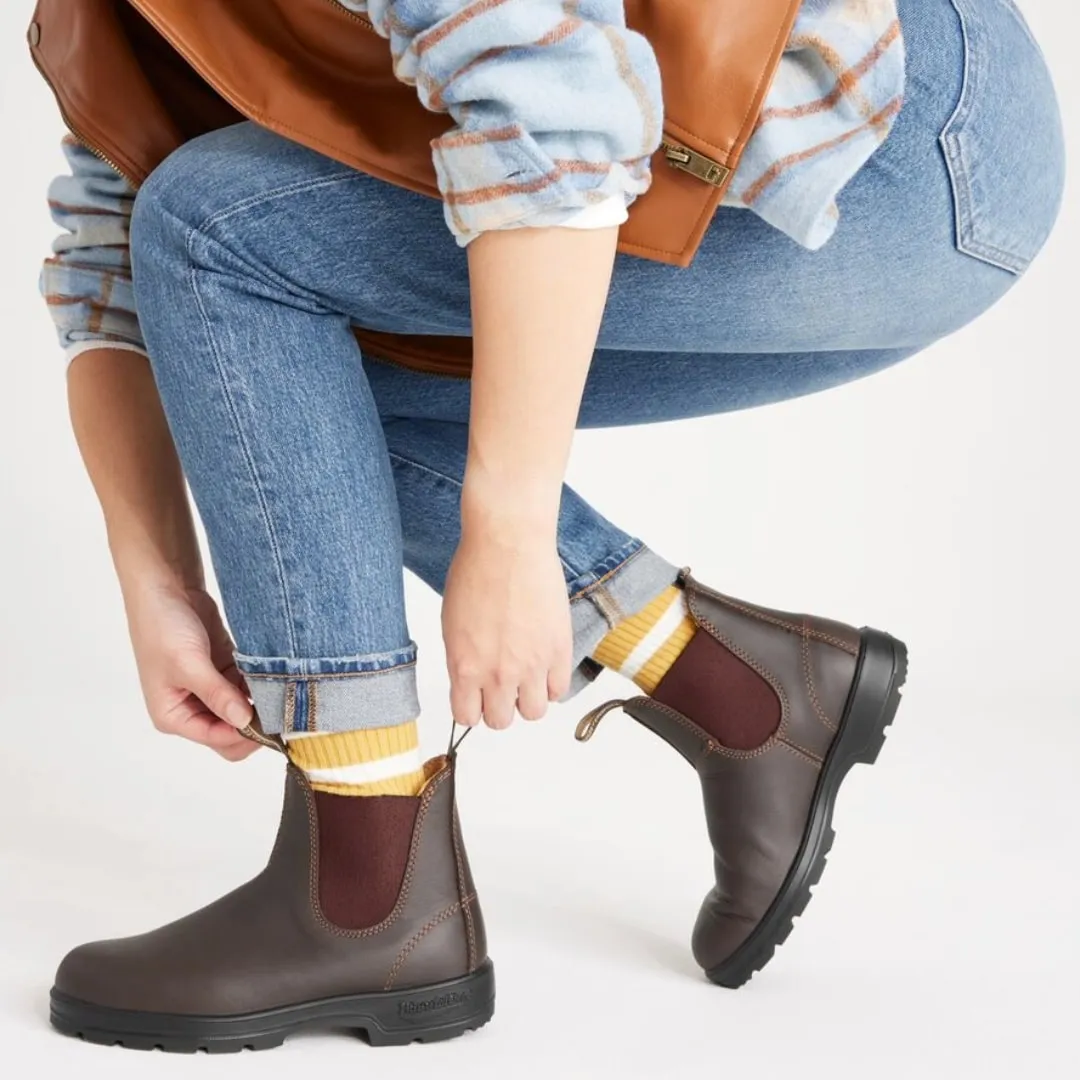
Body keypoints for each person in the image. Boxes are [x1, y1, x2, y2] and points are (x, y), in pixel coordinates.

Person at [38, 0, 1063, 1054]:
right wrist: (154, 571)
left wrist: (512, 525)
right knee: (279, 385)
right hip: (751, 133)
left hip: (896, 140)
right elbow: (111, 233)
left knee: (225, 233)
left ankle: (364, 885)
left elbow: (555, 113)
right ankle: (744, 692)